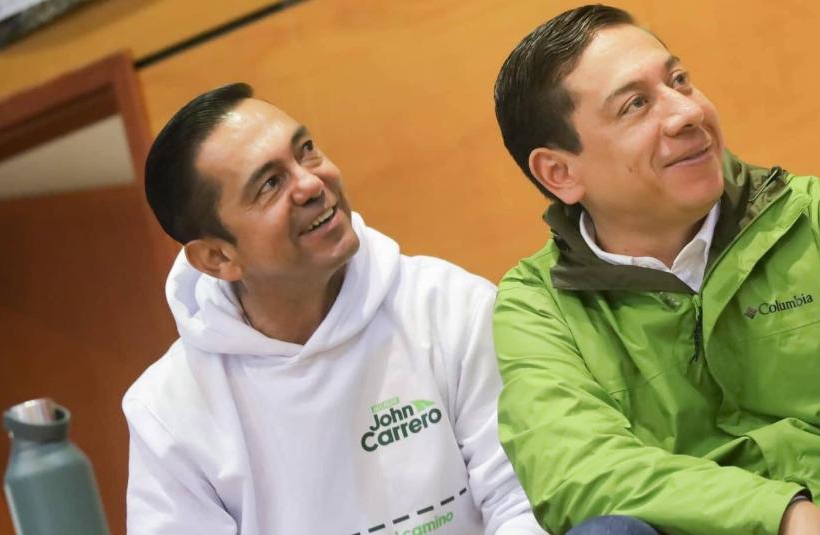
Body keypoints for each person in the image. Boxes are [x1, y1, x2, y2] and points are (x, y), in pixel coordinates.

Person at [490, 5, 820, 535]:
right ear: (560, 173)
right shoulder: (538, 304)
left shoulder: (815, 217)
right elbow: (579, 472)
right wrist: (777, 515)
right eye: (636, 104)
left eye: (679, 81)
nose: (687, 112)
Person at [123, 83, 544, 535]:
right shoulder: (167, 409)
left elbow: (519, 499)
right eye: (269, 184)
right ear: (217, 258)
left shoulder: (448, 306)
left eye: (305, 150)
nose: (311, 184)